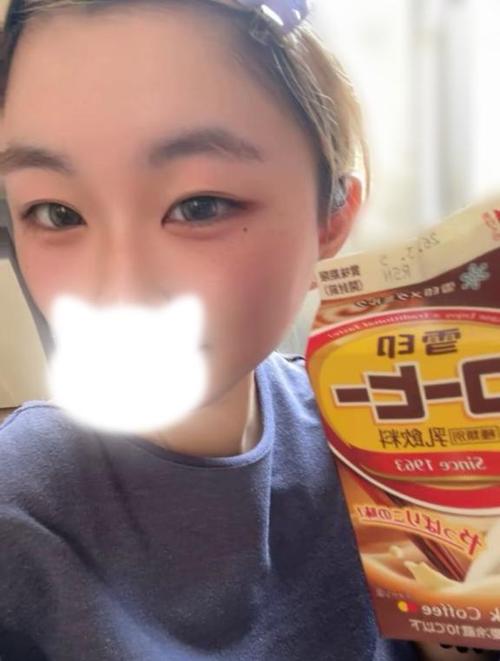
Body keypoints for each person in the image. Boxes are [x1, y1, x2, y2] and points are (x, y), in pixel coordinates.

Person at [0, 0, 496, 659]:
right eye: (56, 213)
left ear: (331, 218)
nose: (118, 292)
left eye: (199, 205)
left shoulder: (384, 433)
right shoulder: (18, 515)